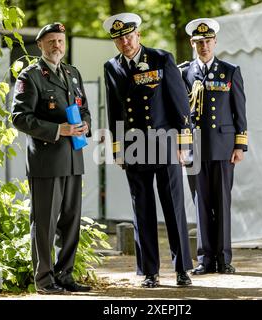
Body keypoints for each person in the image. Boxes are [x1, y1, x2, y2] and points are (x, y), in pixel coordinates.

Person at [102, 13, 193, 288]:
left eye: (129, 36)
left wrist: (184, 143)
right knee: (142, 211)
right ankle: (149, 271)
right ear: (115, 42)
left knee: (173, 208)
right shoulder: (111, 67)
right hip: (133, 147)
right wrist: (117, 148)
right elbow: (114, 109)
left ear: (138, 35)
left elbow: (180, 105)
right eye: (119, 38)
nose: (125, 42)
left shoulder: (161, 59)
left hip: (164, 143)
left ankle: (181, 270)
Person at [12, 22, 92, 294]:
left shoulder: (73, 73)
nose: (57, 45)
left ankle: (65, 276)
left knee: (71, 221)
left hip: (73, 158)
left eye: (60, 40)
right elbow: (20, 118)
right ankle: (44, 281)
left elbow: (85, 110)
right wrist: (59, 129)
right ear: (40, 45)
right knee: (45, 223)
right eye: (51, 41)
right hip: (46, 161)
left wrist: (85, 125)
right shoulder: (30, 75)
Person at [179, 18, 248, 275]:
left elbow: (239, 111)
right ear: (192, 43)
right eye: (199, 42)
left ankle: (223, 258)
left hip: (223, 147)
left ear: (215, 42)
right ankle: (204, 259)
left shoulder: (230, 71)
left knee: (222, 203)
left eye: (207, 41)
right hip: (194, 148)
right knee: (200, 203)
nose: (204, 46)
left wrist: (240, 145)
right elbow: (180, 114)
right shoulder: (184, 72)